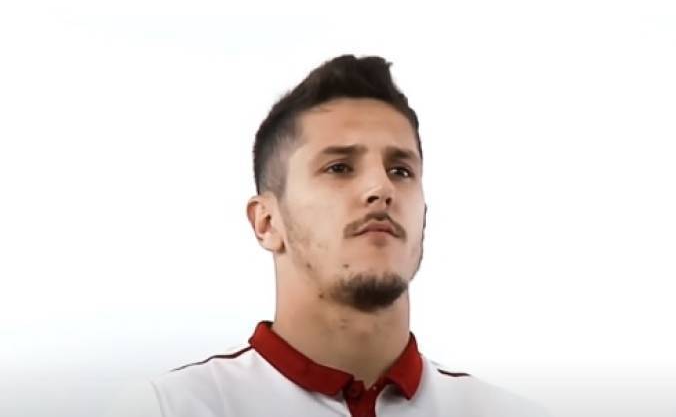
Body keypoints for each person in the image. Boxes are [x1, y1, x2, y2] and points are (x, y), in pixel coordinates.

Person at [105, 54, 550, 417]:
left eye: (401, 170)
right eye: (339, 167)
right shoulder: (171, 409)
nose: (381, 188)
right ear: (266, 222)